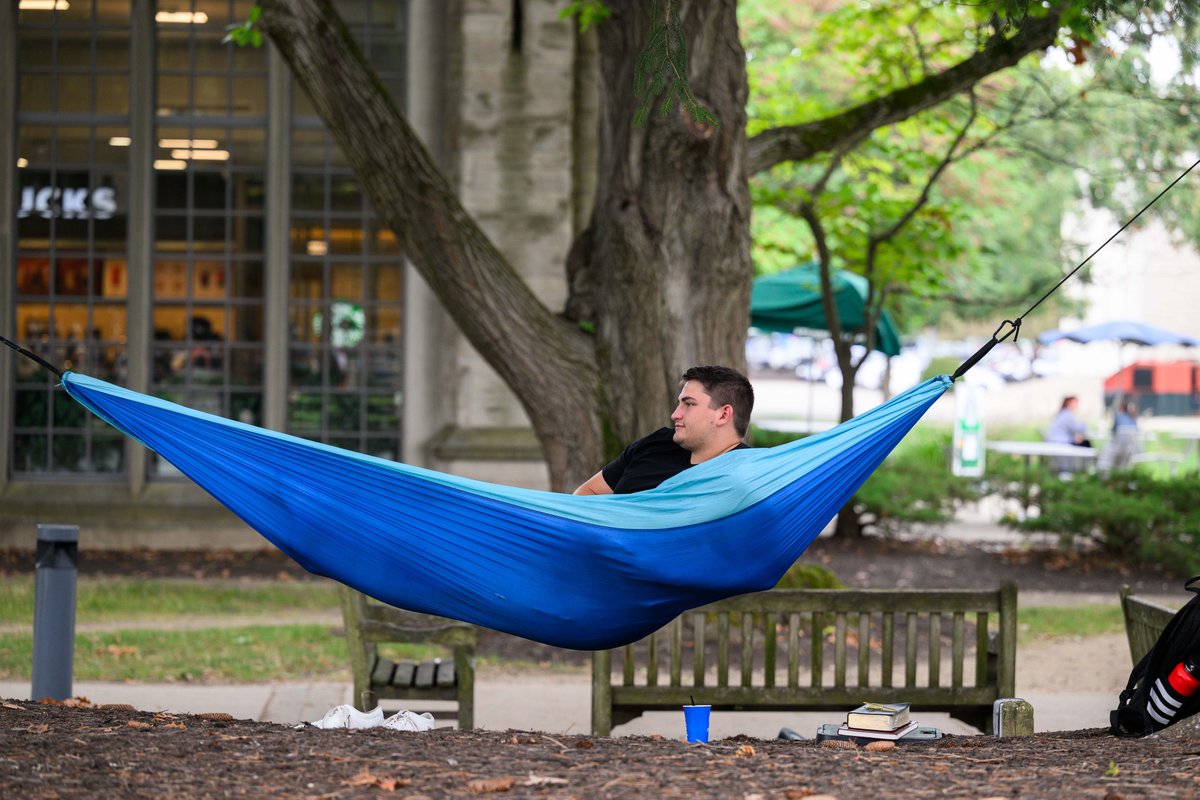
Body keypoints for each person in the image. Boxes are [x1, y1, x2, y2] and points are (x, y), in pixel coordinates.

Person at [573, 365, 754, 495]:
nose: (675, 415)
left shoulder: (751, 474)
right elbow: (588, 491)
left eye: (689, 404)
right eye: (679, 404)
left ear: (723, 415)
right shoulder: (656, 443)